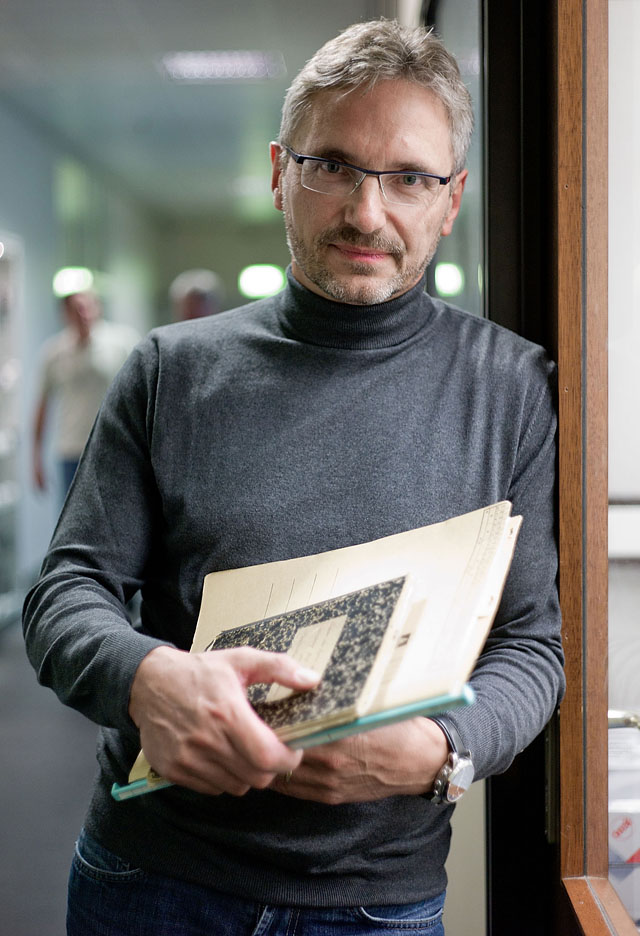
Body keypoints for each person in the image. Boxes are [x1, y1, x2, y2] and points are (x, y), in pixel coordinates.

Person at [23, 19, 565, 936]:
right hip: (150, 878)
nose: (367, 212)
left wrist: (442, 751)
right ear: (281, 172)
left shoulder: (511, 388)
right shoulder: (171, 370)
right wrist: (148, 675)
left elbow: (532, 645)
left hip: (377, 902)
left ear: (451, 199)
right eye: (334, 167)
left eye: (409, 179)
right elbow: (65, 593)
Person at [32, 289, 140, 497]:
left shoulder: (123, 343)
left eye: (87, 307)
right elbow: (42, 406)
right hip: (71, 451)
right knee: (73, 522)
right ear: (65, 313)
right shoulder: (53, 352)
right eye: (76, 309)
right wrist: (36, 458)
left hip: (113, 447)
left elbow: (139, 395)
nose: (83, 314)